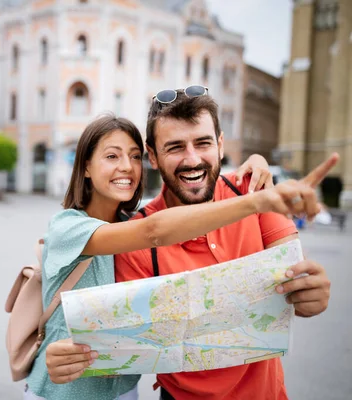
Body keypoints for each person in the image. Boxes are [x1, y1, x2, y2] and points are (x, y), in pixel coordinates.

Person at [44, 89, 339, 400]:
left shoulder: (255, 190)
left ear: (221, 144)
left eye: (203, 143)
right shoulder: (137, 233)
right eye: (175, 147)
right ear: (153, 157)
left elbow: (296, 280)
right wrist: (69, 354)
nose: (193, 159)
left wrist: (311, 293)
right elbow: (126, 338)